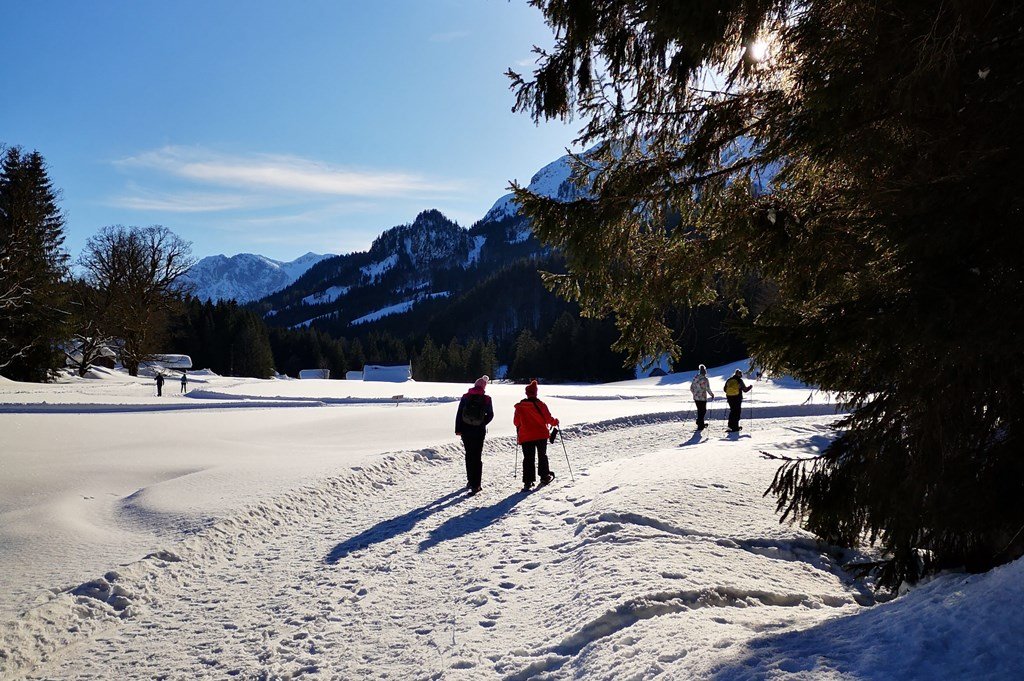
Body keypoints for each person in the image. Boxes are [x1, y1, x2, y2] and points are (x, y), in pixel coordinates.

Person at [513, 380, 560, 492]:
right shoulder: (541, 405)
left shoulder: (520, 407)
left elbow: (516, 422)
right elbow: (549, 419)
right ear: (536, 393)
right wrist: (555, 422)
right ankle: (544, 476)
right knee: (542, 455)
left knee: (528, 458)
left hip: (526, 436)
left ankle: (528, 482)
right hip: (541, 435)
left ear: (527, 393)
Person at [455, 375, 494, 495]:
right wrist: (482, 423)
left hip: (466, 431)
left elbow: (459, 414)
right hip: (479, 431)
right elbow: (491, 415)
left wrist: (458, 429)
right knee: (477, 457)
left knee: (469, 455)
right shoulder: (487, 398)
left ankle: (470, 481)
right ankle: (476, 485)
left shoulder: (466, 397)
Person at [689, 364, 715, 430]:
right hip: (702, 398)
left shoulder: (695, 378)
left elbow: (691, 387)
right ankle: (700, 424)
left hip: (696, 397)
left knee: (700, 410)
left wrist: (694, 393)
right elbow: (707, 388)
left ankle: (700, 422)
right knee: (703, 411)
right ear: (705, 372)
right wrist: (711, 394)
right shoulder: (705, 379)